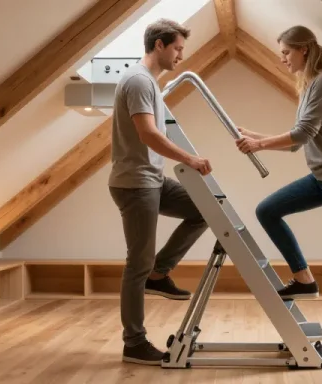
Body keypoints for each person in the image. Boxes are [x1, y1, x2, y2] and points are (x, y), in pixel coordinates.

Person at [234, 25, 322, 365]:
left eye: (286, 52)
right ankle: (304, 279)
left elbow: (303, 133)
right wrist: (256, 136)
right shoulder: (311, 85)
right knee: (268, 210)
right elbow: (299, 142)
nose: (282, 59)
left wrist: (260, 143)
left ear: (304, 49)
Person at [108, 18, 212, 365]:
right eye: (178, 48)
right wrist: (191, 160)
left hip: (152, 179)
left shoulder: (149, 82)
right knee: (136, 263)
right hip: (135, 184)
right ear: (159, 45)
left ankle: (160, 272)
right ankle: (134, 342)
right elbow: (148, 134)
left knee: (204, 208)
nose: (181, 55)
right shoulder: (139, 80)